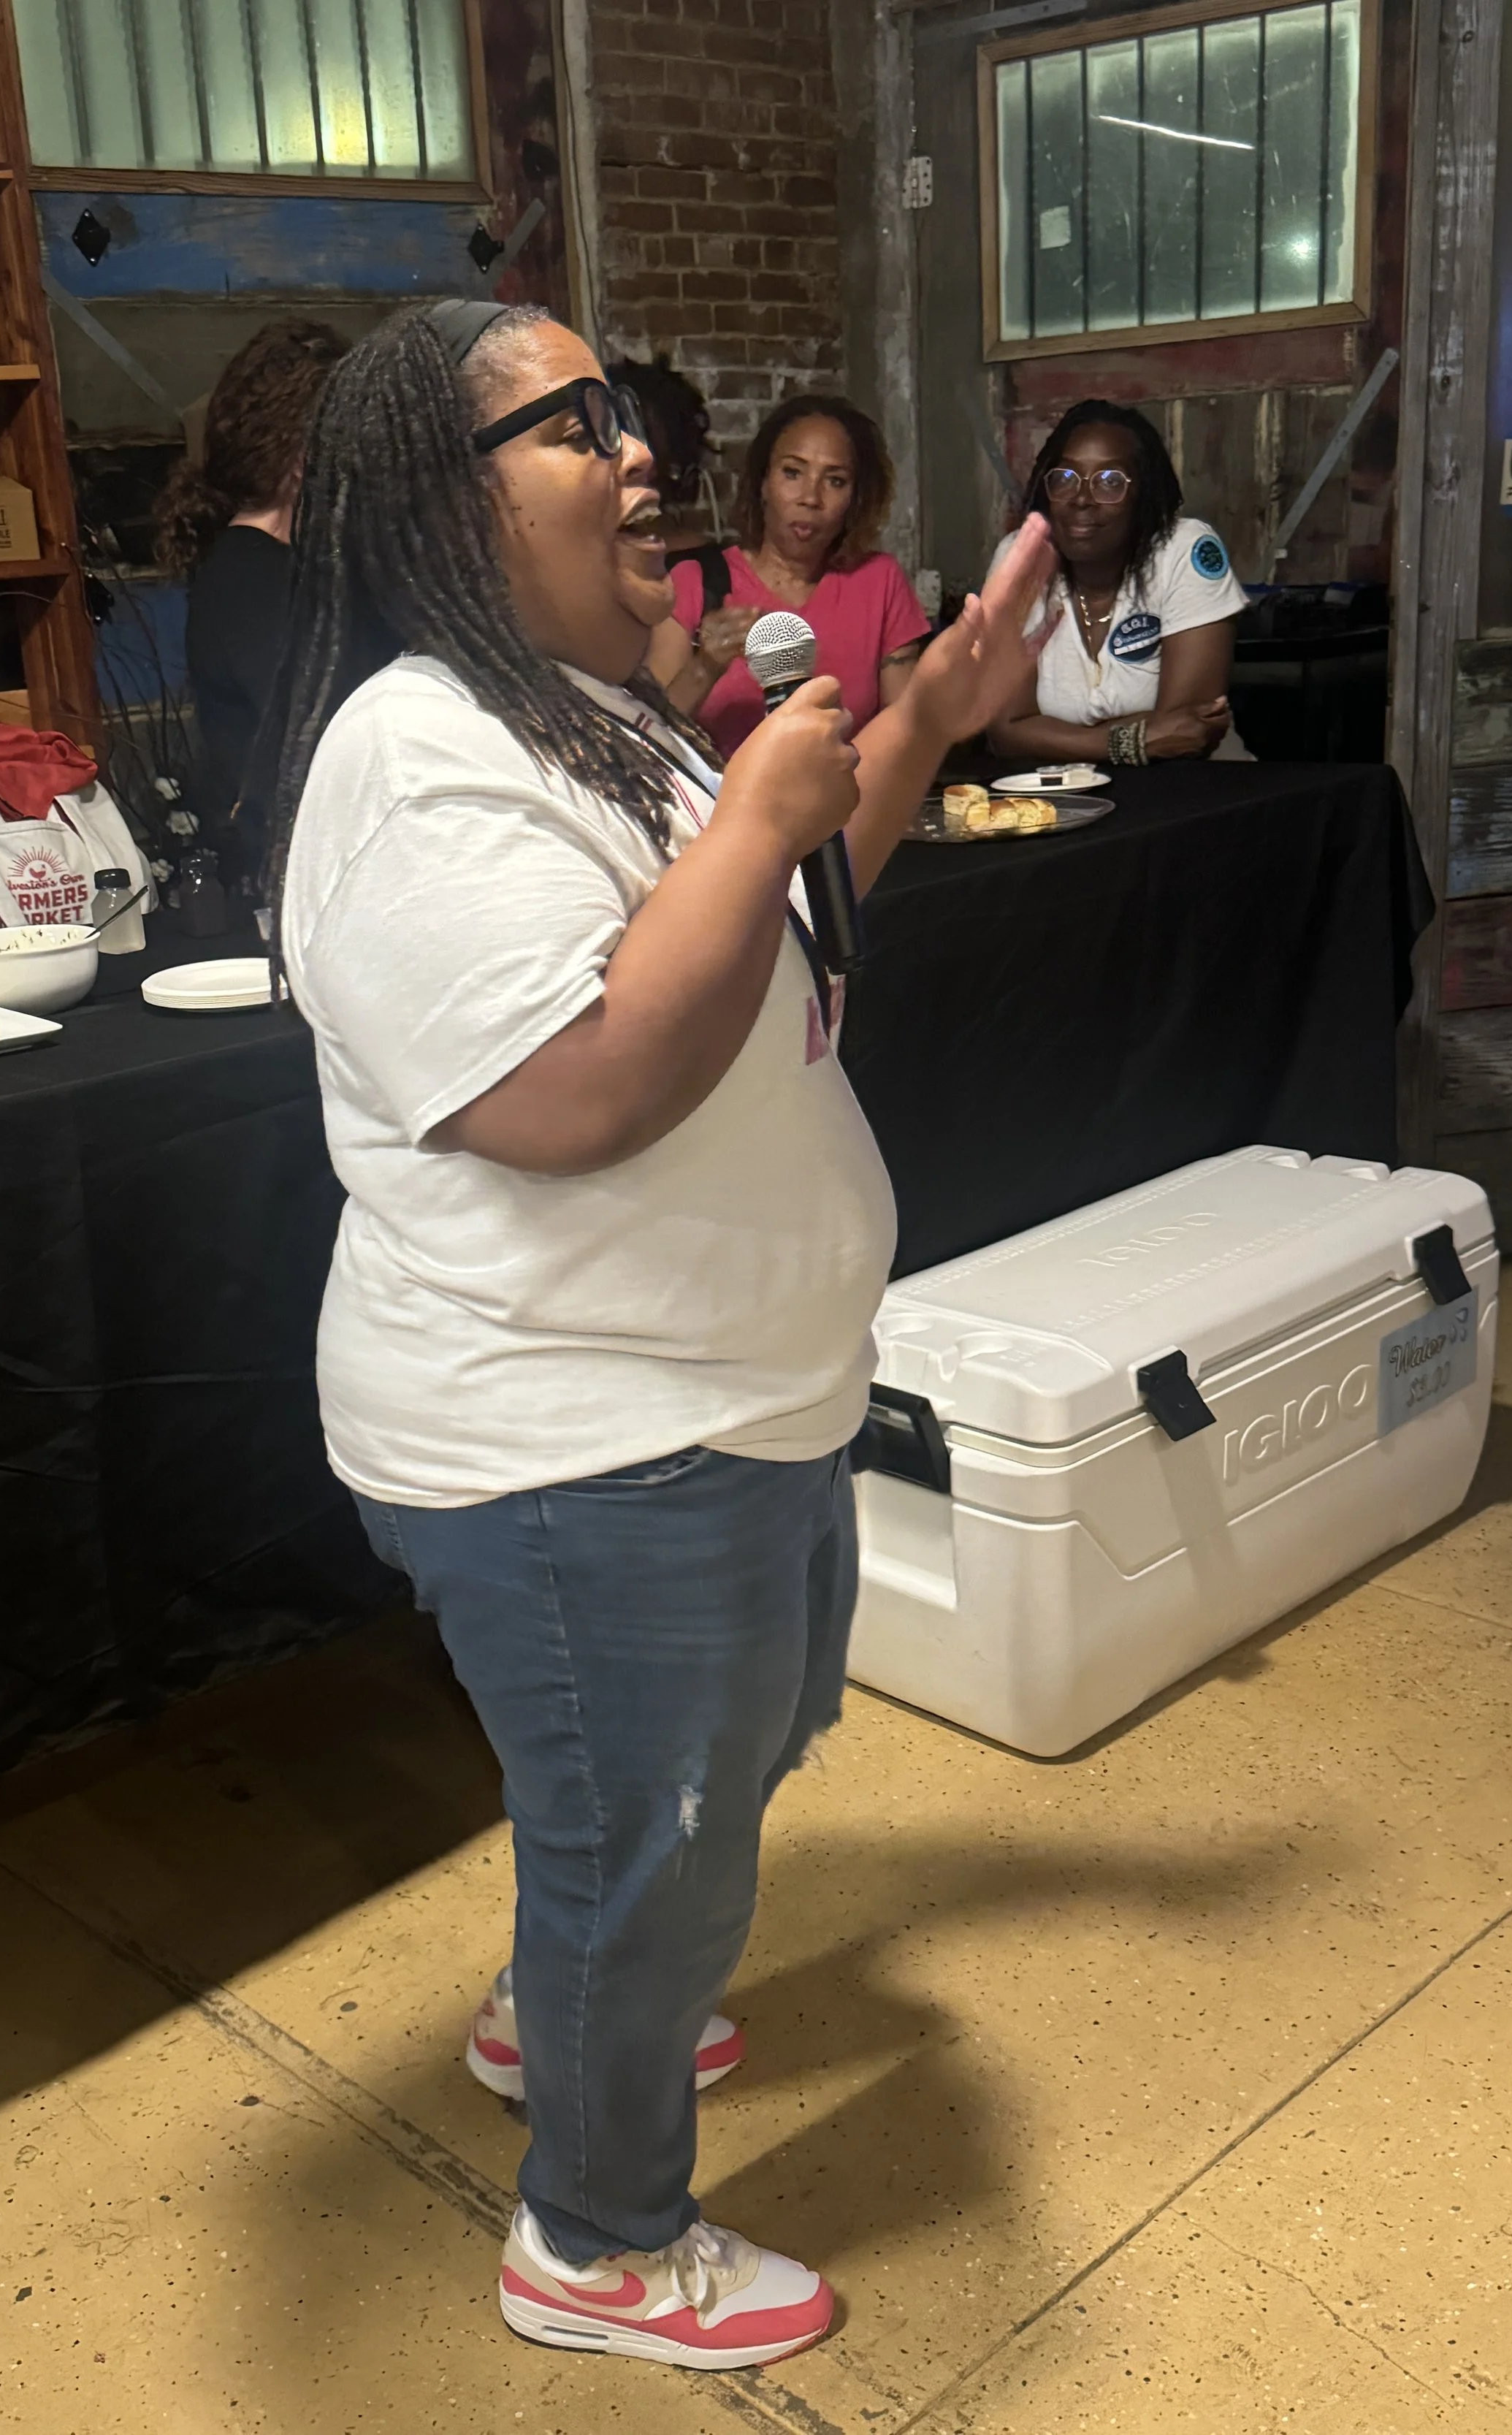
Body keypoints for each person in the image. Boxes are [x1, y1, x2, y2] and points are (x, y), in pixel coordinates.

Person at [269, 297, 1053, 2373]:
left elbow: (772, 925)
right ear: (445, 501)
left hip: (723, 1401)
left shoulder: (583, 708)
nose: (644, 456)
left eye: (629, 413)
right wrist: (747, 814)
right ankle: (595, 2240)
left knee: (726, 1749)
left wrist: (926, 719)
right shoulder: (413, 759)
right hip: (573, 1440)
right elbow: (583, 1088)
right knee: (661, 1850)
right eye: (574, 425)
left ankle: (560, 2003)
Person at [154, 318, 345, 856]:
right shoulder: (252, 582)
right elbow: (320, 736)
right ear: (304, 455)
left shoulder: (275, 567)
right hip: (291, 870)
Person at [648, 394, 931, 758]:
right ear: (763, 483)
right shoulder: (694, 583)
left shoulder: (880, 581)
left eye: (835, 481)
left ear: (855, 499)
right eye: (792, 473)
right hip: (722, 810)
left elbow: (907, 739)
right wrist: (705, 668)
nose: (810, 498)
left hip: (849, 808)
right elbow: (647, 741)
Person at [985, 398, 1248, 769]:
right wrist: (1136, 739)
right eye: (1065, 479)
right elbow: (1004, 734)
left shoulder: (1183, 550)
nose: (1081, 499)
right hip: (1069, 800)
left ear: (1144, 494)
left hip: (1195, 793)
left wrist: (1049, 735)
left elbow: (1189, 735)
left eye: (1111, 483)